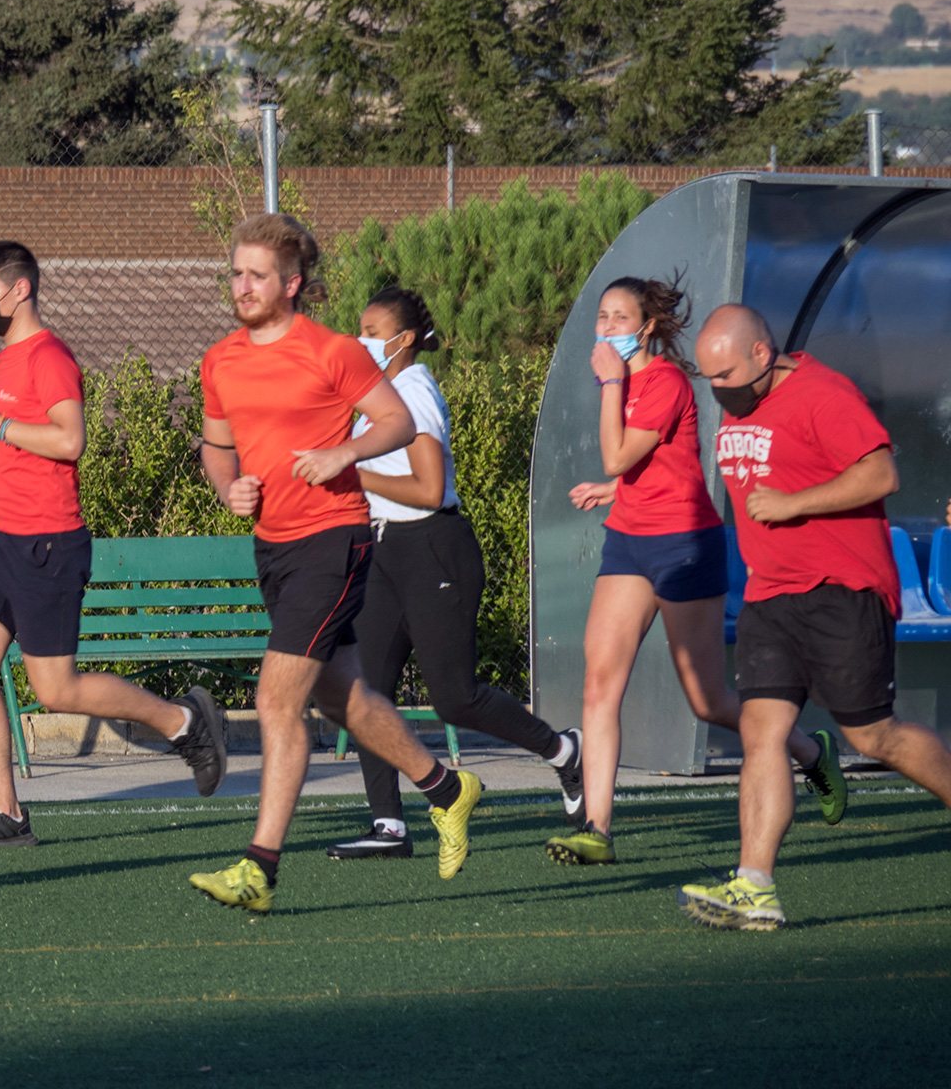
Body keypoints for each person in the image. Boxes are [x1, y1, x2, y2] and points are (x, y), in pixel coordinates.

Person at [188, 214, 482, 914]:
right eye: (236, 273)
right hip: (274, 545)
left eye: (257, 275)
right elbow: (216, 445)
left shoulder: (334, 352)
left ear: (292, 283)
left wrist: (344, 453)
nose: (243, 286)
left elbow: (397, 422)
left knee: (275, 701)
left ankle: (259, 867)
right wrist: (227, 486)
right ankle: (447, 788)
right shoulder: (221, 359)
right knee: (337, 695)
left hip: (334, 539)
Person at [0, 241, 229, 846]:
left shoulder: (50, 356)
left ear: (20, 289)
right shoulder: (3, 363)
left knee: (55, 690)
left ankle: (183, 720)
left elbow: (70, 441)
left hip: (46, 544)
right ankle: (5, 813)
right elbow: (22, 443)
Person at [547, 276, 845, 866]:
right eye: (602, 317)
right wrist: (616, 490)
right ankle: (598, 830)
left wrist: (612, 385)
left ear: (646, 328)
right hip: (628, 545)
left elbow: (617, 453)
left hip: (683, 545)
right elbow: (654, 463)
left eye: (619, 317)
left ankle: (812, 753)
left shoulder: (663, 381)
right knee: (598, 686)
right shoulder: (621, 380)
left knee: (708, 701)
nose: (606, 328)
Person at [678, 305, 951, 929]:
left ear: (761, 354)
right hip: (771, 596)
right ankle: (755, 885)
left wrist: (794, 504)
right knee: (761, 733)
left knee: (872, 736)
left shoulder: (824, 394)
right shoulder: (740, 400)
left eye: (726, 375)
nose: (718, 389)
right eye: (708, 377)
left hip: (843, 589)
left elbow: (881, 473)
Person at [328, 287, 584, 859]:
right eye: (359, 329)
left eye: (372, 332)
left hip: (433, 547)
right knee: (366, 692)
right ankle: (389, 826)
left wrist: (352, 472)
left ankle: (565, 751)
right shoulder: (377, 397)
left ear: (404, 340)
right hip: (384, 551)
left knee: (454, 697)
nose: (360, 340)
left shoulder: (414, 391)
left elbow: (428, 490)